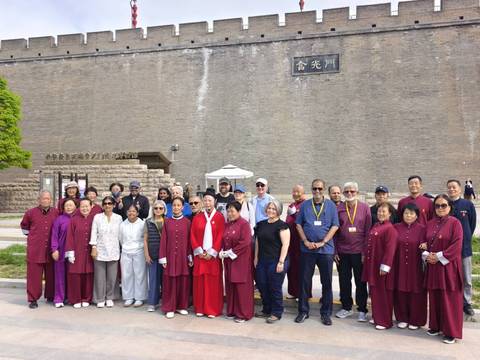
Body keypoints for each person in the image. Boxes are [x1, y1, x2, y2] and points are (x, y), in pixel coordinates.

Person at [295, 179, 339, 325]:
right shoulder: (305, 205)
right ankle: (303, 311)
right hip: (307, 249)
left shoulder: (331, 206)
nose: (317, 191)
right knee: (304, 282)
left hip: (325, 250)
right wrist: (305, 241)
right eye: (314, 189)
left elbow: (335, 226)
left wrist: (323, 241)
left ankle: (326, 313)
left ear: (324, 189)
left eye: (320, 188)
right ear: (311, 189)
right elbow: (298, 224)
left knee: (326, 282)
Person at [424, 194, 464, 344]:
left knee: (449, 298)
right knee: (435, 297)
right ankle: (435, 326)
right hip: (433, 266)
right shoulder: (430, 223)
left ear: (450, 207)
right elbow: (423, 242)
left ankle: (450, 331)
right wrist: (427, 254)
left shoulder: (455, 223)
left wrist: (439, 256)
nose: (440, 208)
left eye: (443, 205)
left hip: (448, 266)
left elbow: (457, 245)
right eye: (437, 206)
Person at [334, 182, 371, 322]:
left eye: (352, 191)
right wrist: (335, 251)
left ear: (357, 192)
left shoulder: (364, 207)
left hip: (359, 251)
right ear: (343, 193)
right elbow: (335, 231)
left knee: (360, 282)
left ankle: (362, 309)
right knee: (344, 281)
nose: (349, 194)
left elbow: (368, 231)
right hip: (342, 251)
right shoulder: (339, 208)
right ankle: (346, 307)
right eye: (347, 191)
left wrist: (364, 252)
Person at [362, 203, 397, 330]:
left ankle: (384, 321)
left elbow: (390, 249)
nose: (381, 213)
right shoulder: (376, 225)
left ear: (390, 214)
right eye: (379, 211)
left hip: (381, 266)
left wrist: (385, 266)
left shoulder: (390, 229)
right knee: (375, 292)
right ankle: (377, 316)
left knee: (383, 293)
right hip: (372, 264)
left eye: (384, 211)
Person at [190, 188, 225, 318]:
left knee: (213, 282)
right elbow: (192, 235)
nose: (207, 203)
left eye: (209, 200)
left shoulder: (220, 217)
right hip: (200, 255)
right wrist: (199, 251)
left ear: (214, 201)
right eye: (205, 200)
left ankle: (212, 309)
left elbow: (221, 235)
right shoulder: (198, 217)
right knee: (199, 282)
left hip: (212, 257)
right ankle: (200, 307)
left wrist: (212, 251)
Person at [21, 190, 59, 308]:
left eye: (48, 198)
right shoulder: (30, 213)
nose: (45, 200)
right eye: (43, 198)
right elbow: (24, 228)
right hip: (35, 250)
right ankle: (33, 299)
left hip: (51, 250)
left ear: (51, 200)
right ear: (39, 200)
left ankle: (51, 295)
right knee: (34, 276)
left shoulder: (56, 212)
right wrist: (35, 238)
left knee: (51, 275)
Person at [255, 199, 290, 323]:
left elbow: (285, 245)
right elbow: (258, 242)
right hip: (262, 260)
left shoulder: (282, 226)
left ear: (279, 211)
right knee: (262, 286)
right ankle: (266, 309)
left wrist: (281, 262)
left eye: (274, 209)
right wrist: (256, 258)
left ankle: (276, 312)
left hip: (276, 261)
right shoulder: (261, 224)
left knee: (275, 287)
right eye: (269, 208)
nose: (271, 210)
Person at [393, 203, 427, 330]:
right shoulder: (396, 227)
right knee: (400, 291)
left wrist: (425, 246)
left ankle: (415, 320)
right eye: (406, 213)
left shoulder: (423, 228)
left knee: (416, 292)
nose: (408, 215)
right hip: (399, 264)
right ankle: (402, 318)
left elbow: (427, 244)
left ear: (417, 215)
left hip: (416, 265)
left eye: (412, 213)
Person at [447, 179, 477, 316]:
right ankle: (453, 300)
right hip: (448, 248)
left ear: (460, 189)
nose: (451, 189)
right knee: (450, 276)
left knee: (466, 277)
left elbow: (472, 224)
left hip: (464, 247)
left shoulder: (467, 204)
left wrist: (467, 237)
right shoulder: (444, 204)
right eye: (449, 188)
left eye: (454, 187)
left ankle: (466, 302)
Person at [159, 197, 192, 318]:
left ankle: (181, 306)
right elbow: (163, 241)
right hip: (170, 256)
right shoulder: (167, 221)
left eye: (179, 205)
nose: (176, 207)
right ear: (171, 207)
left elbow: (189, 241)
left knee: (183, 281)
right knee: (170, 282)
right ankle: (170, 307)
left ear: (183, 207)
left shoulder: (187, 222)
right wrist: (163, 257)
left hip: (183, 256)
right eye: (174, 205)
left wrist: (189, 256)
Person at [221, 201, 255, 322]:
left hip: (240, 260)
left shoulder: (244, 224)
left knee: (241, 287)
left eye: (232, 211)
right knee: (231, 285)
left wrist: (230, 252)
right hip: (229, 261)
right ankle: (232, 310)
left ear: (239, 211)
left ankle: (243, 314)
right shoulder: (226, 225)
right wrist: (221, 250)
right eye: (228, 211)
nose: (230, 213)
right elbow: (223, 239)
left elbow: (245, 242)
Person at [90, 196, 122, 308]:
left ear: (113, 205)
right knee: (100, 276)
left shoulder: (118, 218)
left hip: (114, 250)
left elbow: (121, 235)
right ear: (103, 205)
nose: (107, 205)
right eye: (105, 203)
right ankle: (99, 298)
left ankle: (109, 297)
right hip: (100, 250)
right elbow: (94, 232)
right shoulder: (97, 217)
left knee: (112, 277)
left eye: (110, 203)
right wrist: (93, 247)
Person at [65, 198, 95, 308]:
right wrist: (70, 252)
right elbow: (70, 237)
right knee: (75, 275)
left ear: (91, 206)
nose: (85, 208)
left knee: (88, 275)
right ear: (79, 207)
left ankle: (86, 298)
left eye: (87, 206)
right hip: (77, 251)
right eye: (82, 206)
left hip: (90, 252)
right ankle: (75, 299)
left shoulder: (94, 219)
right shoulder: (74, 219)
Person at [119, 205, 147, 307]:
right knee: (126, 275)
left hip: (139, 251)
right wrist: (126, 247)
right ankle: (128, 297)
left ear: (137, 213)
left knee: (139, 275)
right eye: (129, 211)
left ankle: (139, 297)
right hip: (126, 251)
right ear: (126, 213)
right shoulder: (122, 224)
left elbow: (144, 238)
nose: (131, 213)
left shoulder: (142, 223)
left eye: (134, 211)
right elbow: (121, 239)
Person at [50, 198, 77, 308]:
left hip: (74, 252)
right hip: (61, 251)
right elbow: (54, 235)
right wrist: (54, 249)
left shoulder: (78, 219)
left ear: (75, 206)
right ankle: (59, 298)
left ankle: (71, 298)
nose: (69, 207)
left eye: (71, 205)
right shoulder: (59, 219)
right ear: (63, 207)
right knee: (60, 276)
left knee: (72, 276)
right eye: (67, 206)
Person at [285, 184, 308, 299]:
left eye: (298, 192)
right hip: (291, 242)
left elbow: (305, 221)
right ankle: (293, 291)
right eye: (294, 191)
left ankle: (303, 293)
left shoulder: (306, 205)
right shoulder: (291, 205)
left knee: (302, 269)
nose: (295, 194)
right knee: (292, 268)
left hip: (301, 241)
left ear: (303, 193)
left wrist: (295, 214)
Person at [143, 200, 166, 312]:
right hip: (152, 254)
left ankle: (165, 302)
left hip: (165, 256)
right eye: (156, 208)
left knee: (165, 280)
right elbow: (145, 239)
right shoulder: (148, 222)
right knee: (153, 280)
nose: (158, 210)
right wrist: (146, 254)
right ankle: (152, 302)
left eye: (160, 208)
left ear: (164, 210)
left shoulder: (167, 221)